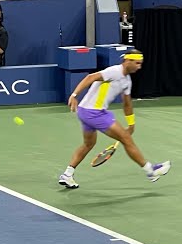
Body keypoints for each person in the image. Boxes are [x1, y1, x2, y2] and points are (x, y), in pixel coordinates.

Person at [58, 50, 171, 188]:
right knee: (126, 139)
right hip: (94, 113)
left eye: (140, 64)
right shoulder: (114, 71)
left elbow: (127, 103)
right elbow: (90, 77)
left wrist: (131, 123)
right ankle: (150, 171)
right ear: (127, 61)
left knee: (88, 144)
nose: (139, 67)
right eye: (136, 63)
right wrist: (74, 95)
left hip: (85, 112)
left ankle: (67, 175)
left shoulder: (127, 81)